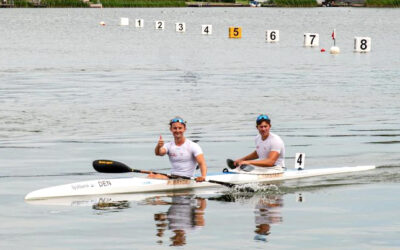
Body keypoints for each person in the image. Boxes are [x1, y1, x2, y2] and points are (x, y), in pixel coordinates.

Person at [154, 116, 207, 182]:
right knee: (151, 175)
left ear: (184, 129)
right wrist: (159, 146)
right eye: (175, 128)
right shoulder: (168, 145)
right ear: (171, 129)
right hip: (173, 177)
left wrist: (203, 176)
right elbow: (158, 153)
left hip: (187, 178)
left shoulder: (193, 146)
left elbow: (202, 163)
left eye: (180, 128)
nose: (177, 130)